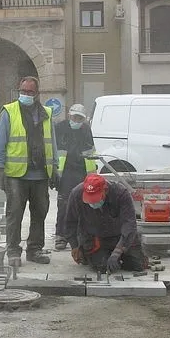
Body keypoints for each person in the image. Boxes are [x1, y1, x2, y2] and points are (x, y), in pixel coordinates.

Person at [0, 76, 59, 267]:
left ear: (37, 94)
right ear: (18, 91)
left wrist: (54, 167)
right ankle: (13, 251)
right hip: (16, 174)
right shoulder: (9, 111)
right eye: (23, 92)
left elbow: (52, 142)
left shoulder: (46, 113)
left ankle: (34, 250)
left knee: (40, 213)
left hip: (40, 174)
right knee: (15, 214)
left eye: (30, 92)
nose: (26, 95)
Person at [63, 172, 148, 273]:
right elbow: (70, 222)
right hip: (95, 238)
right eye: (90, 200)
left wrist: (117, 252)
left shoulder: (120, 193)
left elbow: (129, 224)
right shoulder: (76, 194)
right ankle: (94, 256)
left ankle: (119, 255)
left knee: (138, 265)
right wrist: (75, 246)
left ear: (105, 190)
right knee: (102, 267)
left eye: (96, 199)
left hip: (120, 236)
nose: (93, 203)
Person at [53, 103, 96, 251]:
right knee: (64, 204)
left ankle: (79, 234)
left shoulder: (86, 130)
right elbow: (54, 151)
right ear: (69, 115)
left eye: (80, 118)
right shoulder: (60, 128)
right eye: (75, 117)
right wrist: (54, 174)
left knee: (83, 204)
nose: (77, 120)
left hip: (81, 172)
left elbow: (90, 153)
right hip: (64, 173)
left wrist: (92, 176)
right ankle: (61, 236)